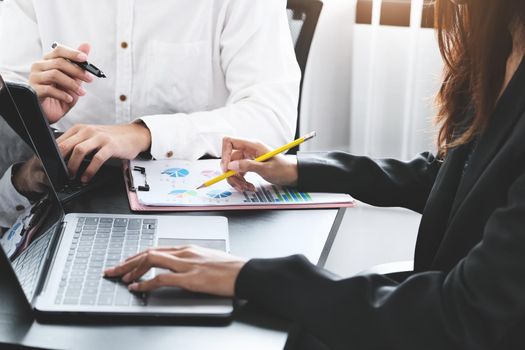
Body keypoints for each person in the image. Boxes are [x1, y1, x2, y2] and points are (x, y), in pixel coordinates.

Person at [106, 0, 525, 348]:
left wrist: (249, 274)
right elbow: (451, 178)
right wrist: (299, 169)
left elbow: (464, 316)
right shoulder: (500, 45)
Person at [0, 0, 300, 226]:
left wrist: (145, 133)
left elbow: (271, 116)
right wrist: (30, 111)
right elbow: (10, 88)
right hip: (63, 198)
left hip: (204, 208)